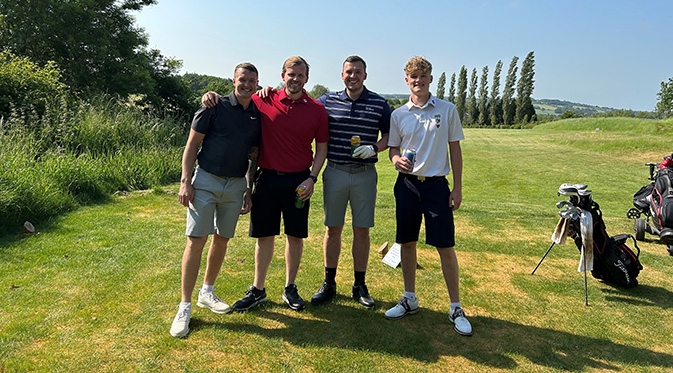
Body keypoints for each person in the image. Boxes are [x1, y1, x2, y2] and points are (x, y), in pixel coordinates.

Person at [202, 56, 329, 312]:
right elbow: (238, 98)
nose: (295, 79)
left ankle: (290, 288)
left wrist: (312, 178)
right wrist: (210, 95)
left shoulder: (317, 109)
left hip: (299, 181)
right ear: (283, 76)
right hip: (266, 178)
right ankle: (258, 289)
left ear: (307, 79)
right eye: (291, 74)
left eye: (300, 75)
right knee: (264, 236)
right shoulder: (264, 99)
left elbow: (322, 147)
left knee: (295, 236)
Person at [170, 62, 262, 338]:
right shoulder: (213, 106)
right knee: (196, 239)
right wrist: (185, 181)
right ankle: (184, 306)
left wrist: (248, 188)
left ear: (257, 84)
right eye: (242, 80)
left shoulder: (257, 114)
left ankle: (206, 292)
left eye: (252, 81)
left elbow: (253, 155)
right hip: (206, 180)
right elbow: (192, 145)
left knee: (222, 238)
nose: (247, 85)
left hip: (235, 185)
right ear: (233, 80)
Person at [384, 56, 472, 336]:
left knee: (445, 246)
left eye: (423, 77)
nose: (418, 81)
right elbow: (393, 149)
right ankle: (409, 298)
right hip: (407, 186)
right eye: (413, 77)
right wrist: (396, 161)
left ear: (430, 79)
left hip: (436, 186)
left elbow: (455, 150)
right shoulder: (399, 114)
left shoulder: (446, 110)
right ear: (406, 81)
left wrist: (457, 188)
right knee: (406, 243)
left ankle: (456, 306)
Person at [309, 55, 390, 309]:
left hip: (364, 173)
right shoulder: (327, 101)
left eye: (357, 72)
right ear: (341, 74)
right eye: (348, 72)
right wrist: (266, 92)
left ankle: (359, 284)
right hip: (335, 171)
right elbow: (299, 102)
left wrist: (374, 148)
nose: (352, 76)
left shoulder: (379, 103)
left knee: (361, 229)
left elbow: (389, 136)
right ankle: (329, 282)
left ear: (365, 75)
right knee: (333, 228)